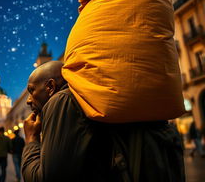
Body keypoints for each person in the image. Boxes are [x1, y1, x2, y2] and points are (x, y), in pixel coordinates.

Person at [22, 61, 185, 182]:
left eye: (31, 91)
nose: (29, 100)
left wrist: (31, 139)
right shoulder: (89, 99)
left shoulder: (62, 101)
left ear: (50, 87)